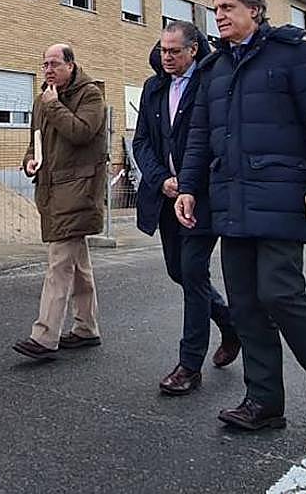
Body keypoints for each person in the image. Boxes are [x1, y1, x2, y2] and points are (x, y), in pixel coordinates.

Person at [176, 0, 306, 438]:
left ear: (255, 10)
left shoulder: (293, 54)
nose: (218, 14)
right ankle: (264, 402)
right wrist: (189, 188)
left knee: (281, 293)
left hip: (281, 196)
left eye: (228, 6)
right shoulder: (214, 69)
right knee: (245, 305)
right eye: (215, 8)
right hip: (230, 200)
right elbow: (199, 136)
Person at [133, 21, 240, 395]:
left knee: (193, 272)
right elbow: (141, 141)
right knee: (178, 270)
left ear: (193, 50)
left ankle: (189, 366)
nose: (166, 57)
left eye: (174, 51)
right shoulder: (154, 87)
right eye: (163, 50)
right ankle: (229, 321)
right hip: (165, 197)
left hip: (201, 198)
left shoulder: (211, 84)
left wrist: (191, 183)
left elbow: (217, 140)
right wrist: (161, 179)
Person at [12, 43, 106, 361]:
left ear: (71, 65)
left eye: (54, 64)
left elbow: (82, 133)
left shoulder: (90, 95)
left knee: (59, 264)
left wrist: (54, 106)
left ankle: (44, 336)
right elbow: (35, 141)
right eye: (45, 64)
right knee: (77, 265)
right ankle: (86, 328)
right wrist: (29, 161)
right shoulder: (43, 99)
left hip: (79, 191)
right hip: (52, 190)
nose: (48, 70)